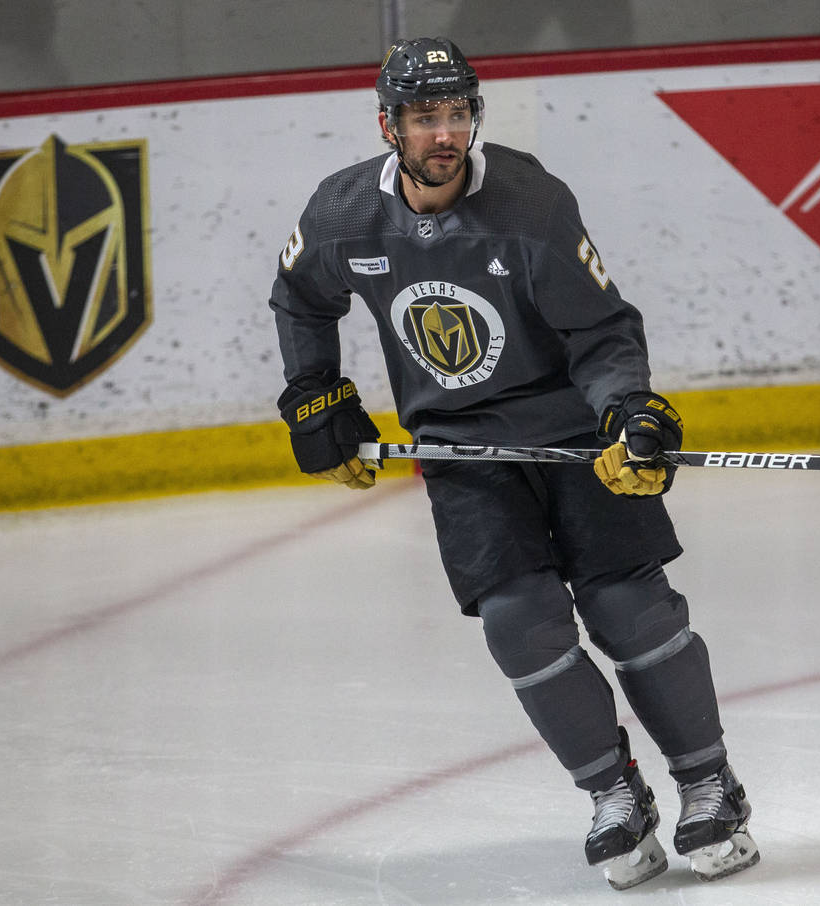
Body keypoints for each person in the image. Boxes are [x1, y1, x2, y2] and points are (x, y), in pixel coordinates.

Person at [269, 36, 759, 889]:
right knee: (519, 621)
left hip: (572, 435)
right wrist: (315, 393)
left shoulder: (528, 203)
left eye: (457, 113)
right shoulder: (344, 213)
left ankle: (708, 783)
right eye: (425, 117)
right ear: (388, 126)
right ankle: (614, 794)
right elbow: (301, 296)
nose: (445, 132)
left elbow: (600, 330)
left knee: (628, 606)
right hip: (461, 453)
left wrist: (627, 411)